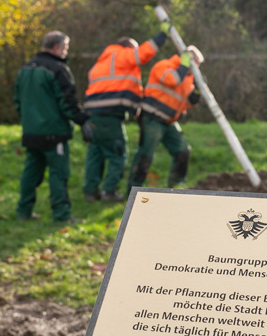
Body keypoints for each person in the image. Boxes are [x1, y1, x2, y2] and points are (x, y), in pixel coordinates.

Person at [14, 30, 94, 222]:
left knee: (31, 173)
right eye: (65, 48)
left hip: (31, 132)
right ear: (57, 48)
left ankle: (23, 212)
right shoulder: (58, 69)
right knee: (59, 175)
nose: (66, 52)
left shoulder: (24, 69)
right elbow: (67, 101)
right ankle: (61, 214)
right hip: (53, 132)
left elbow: (17, 102)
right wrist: (82, 120)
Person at [82, 32, 168, 201]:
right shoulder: (120, 55)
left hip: (92, 115)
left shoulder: (99, 64)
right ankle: (110, 191)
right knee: (117, 154)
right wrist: (163, 35)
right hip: (110, 116)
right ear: (128, 48)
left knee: (95, 154)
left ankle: (90, 192)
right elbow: (144, 53)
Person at [126, 45, 204, 193]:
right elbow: (172, 80)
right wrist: (184, 66)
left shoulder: (187, 78)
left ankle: (177, 185)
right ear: (188, 59)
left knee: (183, 151)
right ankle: (134, 188)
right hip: (152, 117)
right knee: (146, 154)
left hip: (169, 121)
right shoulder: (164, 66)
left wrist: (196, 94)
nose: (195, 69)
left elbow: (184, 103)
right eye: (196, 64)